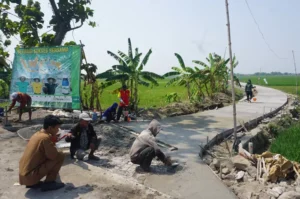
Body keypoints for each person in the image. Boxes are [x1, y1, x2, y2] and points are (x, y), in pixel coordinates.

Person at [19, 115, 65, 192]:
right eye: (57, 128)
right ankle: (49, 183)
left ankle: (32, 183)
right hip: (29, 176)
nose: (58, 131)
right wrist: (53, 140)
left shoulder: (37, 134)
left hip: (24, 175)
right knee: (60, 155)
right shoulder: (45, 138)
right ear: (50, 128)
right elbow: (53, 156)